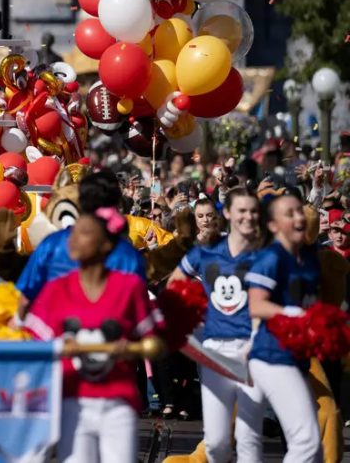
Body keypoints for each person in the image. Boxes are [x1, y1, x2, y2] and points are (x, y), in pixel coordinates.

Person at [24, 208, 162, 463]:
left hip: (119, 402)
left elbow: (155, 343)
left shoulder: (129, 286)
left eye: (85, 233)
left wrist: (129, 349)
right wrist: (58, 347)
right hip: (72, 403)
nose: (74, 240)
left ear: (106, 244)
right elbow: (31, 341)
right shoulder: (56, 290)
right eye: (73, 234)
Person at [169, 189, 264, 462]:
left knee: (248, 438)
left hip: (251, 347)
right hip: (213, 346)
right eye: (240, 211)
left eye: (250, 212)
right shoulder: (203, 250)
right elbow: (174, 283)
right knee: (217, 443)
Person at [247, 194, 322, 462]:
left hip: (297, 357)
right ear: (273, 225)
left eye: (300, 211)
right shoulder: (270, 258)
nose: (299, 217)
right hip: (272, 357)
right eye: (289, 214)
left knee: (315, 450)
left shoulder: (310, 259)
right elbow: (256, 305)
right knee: (307, 440)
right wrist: (292, 314)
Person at [16, 171, 146, 304]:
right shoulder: (126, 252)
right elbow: (138, 303)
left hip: (58, 317)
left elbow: (27, 294)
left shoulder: (51, 244)